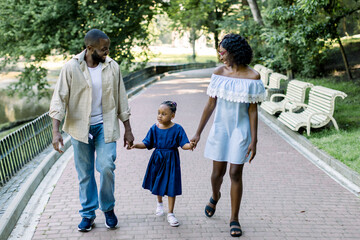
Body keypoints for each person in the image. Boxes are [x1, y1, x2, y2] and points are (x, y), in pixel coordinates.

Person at [49, 29, 134, 232]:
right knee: (85, 174)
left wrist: (128, 129)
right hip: (80, 128)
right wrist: (55, 131)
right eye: (103, 49)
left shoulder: (113, 67)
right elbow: (58, 99)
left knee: (106, 167)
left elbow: (122, 98)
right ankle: (88, 214)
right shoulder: (71, 68)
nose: (107, 52)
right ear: (89, 48)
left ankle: (108, 209)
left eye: (108, 49)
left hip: (106, 125)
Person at [190, 33, 266, 237]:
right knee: (217, 173)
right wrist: (198, 132)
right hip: (221, 128)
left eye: (223, 52)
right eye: (219, 52)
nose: (220, 56)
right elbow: (210, 104)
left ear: (234, 52)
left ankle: (234, 218)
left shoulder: (253, 76)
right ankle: (215, 195)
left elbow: (252, 110)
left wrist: (254, 140)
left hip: (241, 131)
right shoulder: (219, 73)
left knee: (235, 173)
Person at [129, 101, 193, 227]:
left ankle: (171, 213)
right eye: (159, 113)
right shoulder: (154, 128)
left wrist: (190, 145)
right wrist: (136, 145)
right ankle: (159, 203)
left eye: (164, 114)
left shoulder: (178, 129)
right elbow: (147, 143)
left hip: (171, 160)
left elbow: (184, 144)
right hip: (157, 159)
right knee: (158, 181)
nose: (160, 116)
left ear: (172, 116)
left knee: (171, 184)